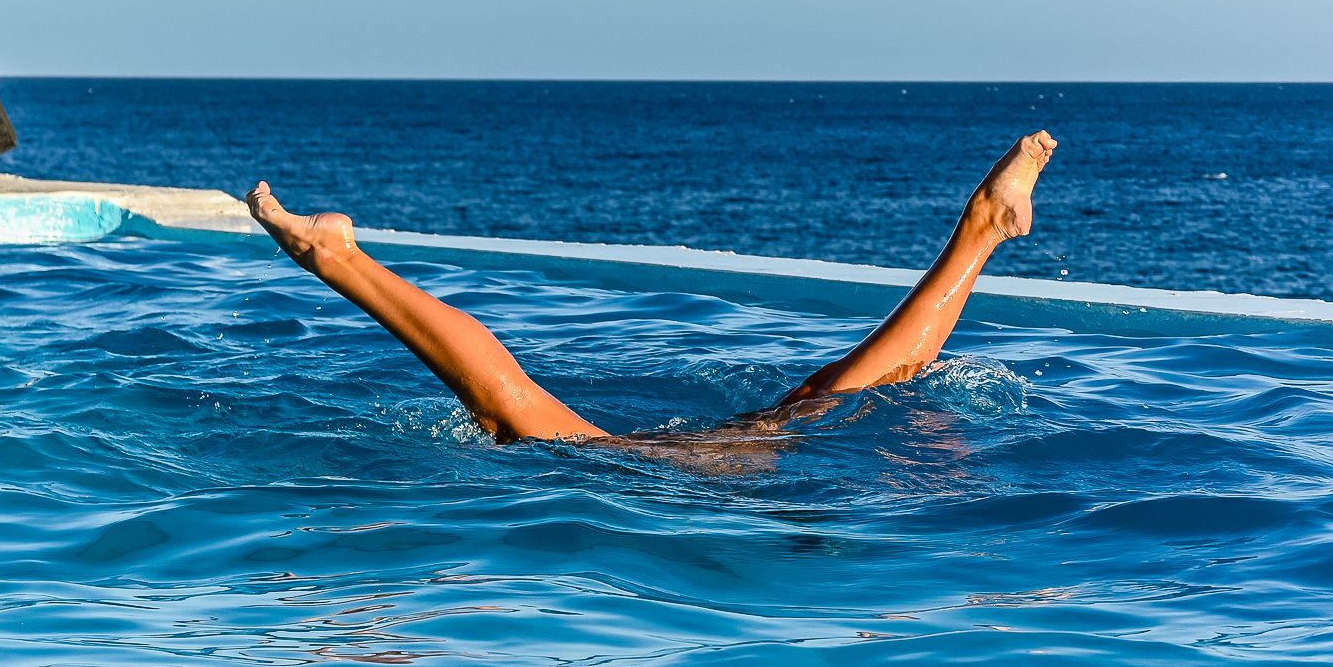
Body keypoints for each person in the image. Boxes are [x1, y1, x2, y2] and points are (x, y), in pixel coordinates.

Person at [245, 131, 1057, 446]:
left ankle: (337, 258)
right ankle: (981, 229)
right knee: (831, 394)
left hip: (695, 473)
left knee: (513, 412)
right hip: (702, 470)